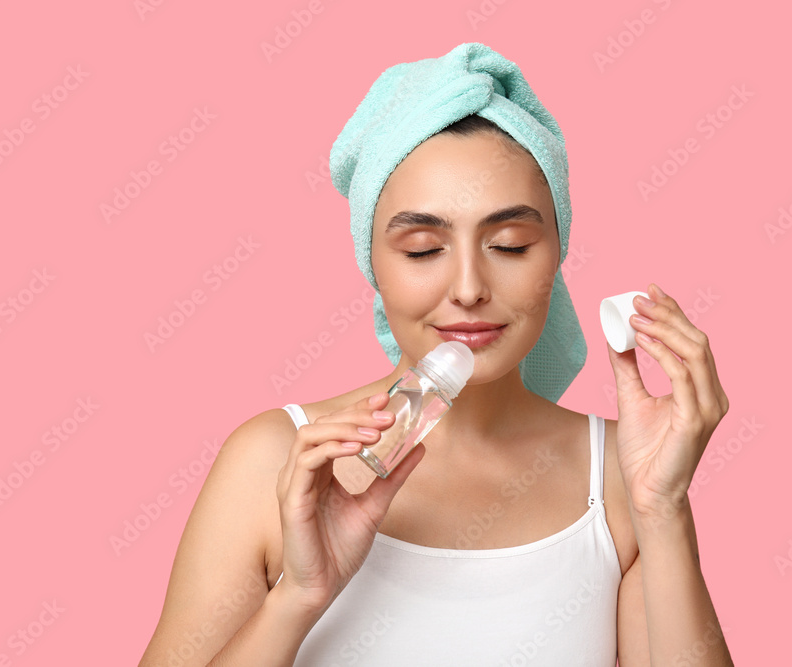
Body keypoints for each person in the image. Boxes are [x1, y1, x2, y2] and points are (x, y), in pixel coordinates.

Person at [139, 43, 733, 666]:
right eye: (423, 249)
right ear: (375, 266)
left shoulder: (621, 474)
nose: (470, 287)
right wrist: (300, 597)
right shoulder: (274, 462)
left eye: (509, 244)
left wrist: (662, 508)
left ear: (556, 254)